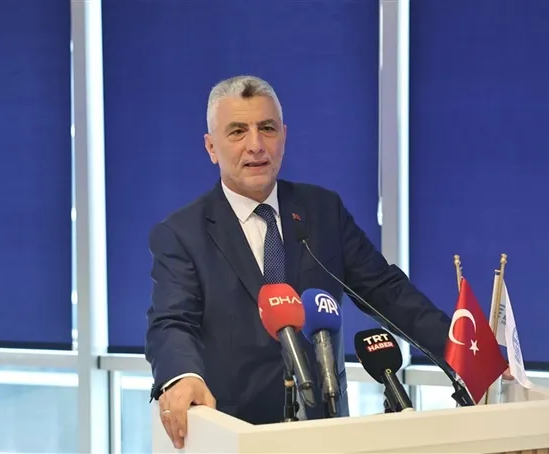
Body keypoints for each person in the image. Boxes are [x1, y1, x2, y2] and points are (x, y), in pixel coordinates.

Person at [145, 75, 453, 449]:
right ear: (211, 147)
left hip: (324, 432)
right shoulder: (182, 233)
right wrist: (181, 376)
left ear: (284, 136)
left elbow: (387, 293)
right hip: (237, 435)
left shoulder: (323, 211)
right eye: (238, 131)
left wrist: (461, 352)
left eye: (267, 128)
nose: (255, 145)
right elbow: (172, 322)